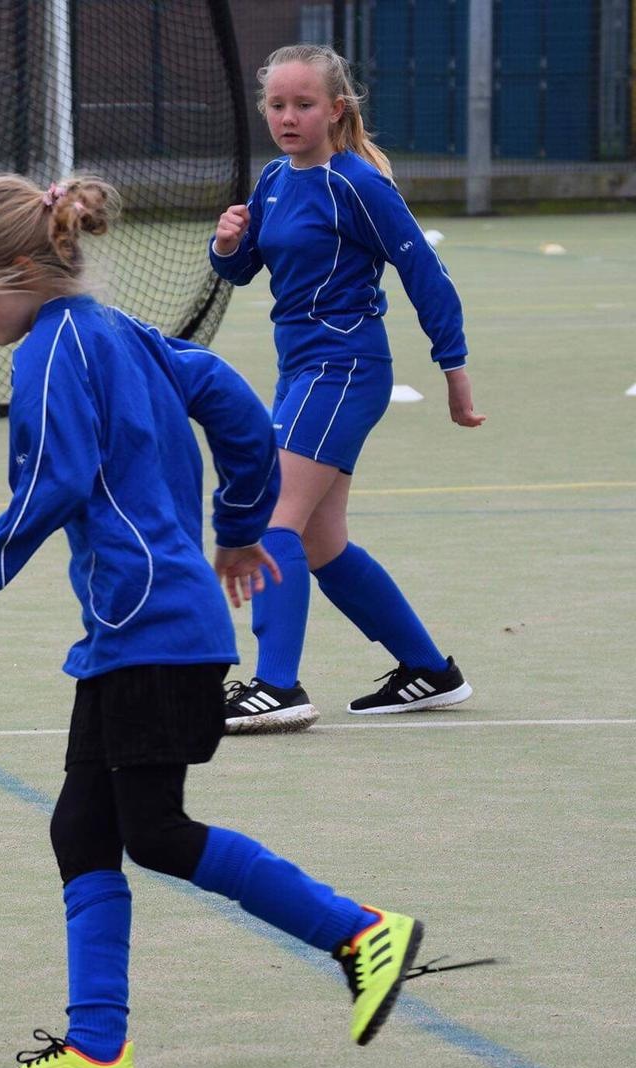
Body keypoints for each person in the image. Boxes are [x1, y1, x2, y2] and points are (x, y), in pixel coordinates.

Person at [0, 172, 424, 1068]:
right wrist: (238, 524)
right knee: (83, 827)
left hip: (152, 627)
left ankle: (358, 933)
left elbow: (53, 480)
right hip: (136, 627)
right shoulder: (120, 330)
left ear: (19, 269)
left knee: (154, 832)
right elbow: (231, 402)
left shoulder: (51, 351)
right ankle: (98, 1052)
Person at [210, 44, 485, 733]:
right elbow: (245, 269)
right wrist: (228, 243)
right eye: (277, 104)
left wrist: (454, 371)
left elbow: (426, 274)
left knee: (273, 519)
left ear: (336, 109)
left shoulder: (358, 183)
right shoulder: (275, 179)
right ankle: (430, 671)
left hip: (344, 369)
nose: (287, 117)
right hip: (302, 371)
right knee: (322, 543)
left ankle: (277, 686)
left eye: (303, 105)